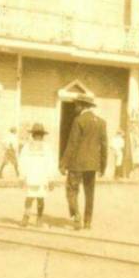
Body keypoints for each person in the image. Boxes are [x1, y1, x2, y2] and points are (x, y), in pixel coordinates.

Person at [60, 93, 107, 230]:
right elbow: (104, 145)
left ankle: (76, 216)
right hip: (92, 164)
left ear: (82, 105)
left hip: (76, 163)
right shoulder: (101, 122)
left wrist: (63, 163)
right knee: (89, 193)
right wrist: (102, 166)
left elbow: (72, 144)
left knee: (71, 190)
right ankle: (88, 222)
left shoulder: (78, 120)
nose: (75, 107)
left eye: (77, 105)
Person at [18, 123, 57, 227]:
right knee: (29, 197)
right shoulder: (27, 147)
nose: (38, 136)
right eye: (36, 134)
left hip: (42, 178)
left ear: (42, 136)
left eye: (40, 134)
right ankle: (26, 217)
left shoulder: (47, 148)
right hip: (31, 177)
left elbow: (51, 163)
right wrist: (22, 177)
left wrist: (51, 179)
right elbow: (22, 161)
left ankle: (39, 218)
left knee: (40, 198)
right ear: (33, 135)